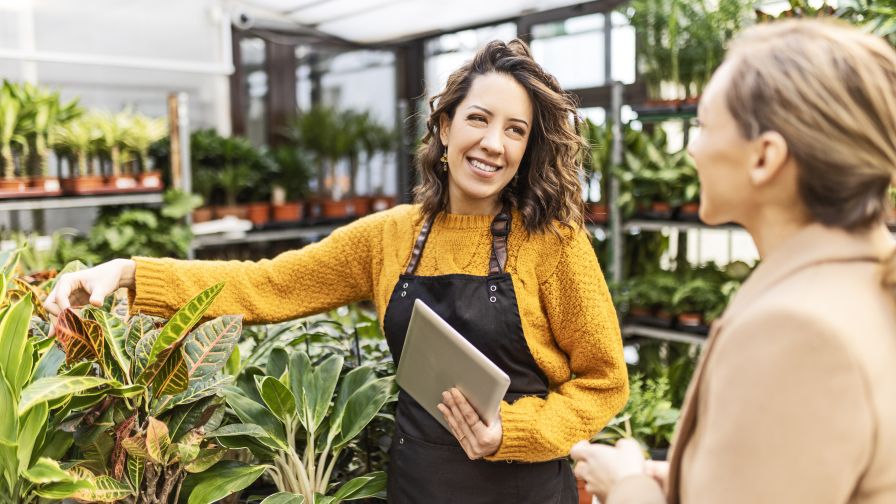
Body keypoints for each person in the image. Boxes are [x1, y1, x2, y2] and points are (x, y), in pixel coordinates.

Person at [45, 39, 628, 503]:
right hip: (420, 485)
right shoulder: (390, 236)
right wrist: (126, 272)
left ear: (527, 149)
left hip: (524, 490)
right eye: (479, 118)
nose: (493, 143)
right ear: (446, 127)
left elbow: (604, 382)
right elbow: (266, 285)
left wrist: (512, 432)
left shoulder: (553, 243)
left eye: (515, 130)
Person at [570, 18, 896, 504]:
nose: (694, 150)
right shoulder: (865, 286)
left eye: (703, 126)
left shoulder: (796, 330)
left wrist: (627, 485)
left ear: (765, 158)